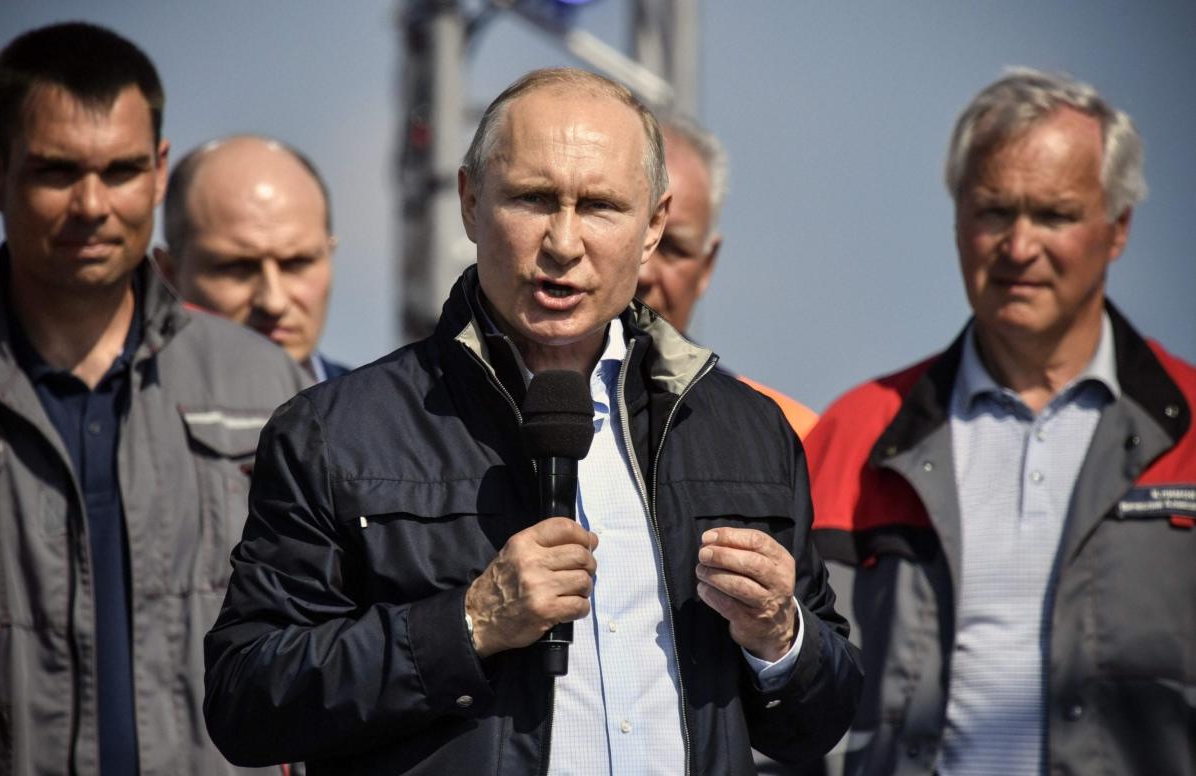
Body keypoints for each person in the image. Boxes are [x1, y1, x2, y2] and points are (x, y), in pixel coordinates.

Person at [203, 67, 862, 775]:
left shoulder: (750, 433)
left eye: (602, 206)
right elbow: (246, 702)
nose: (564, 242)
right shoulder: (334, 433)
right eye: (533, 199)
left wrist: (781, 638)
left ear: (654, 226)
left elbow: (816, 725)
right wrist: (468, 624)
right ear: (469, 201)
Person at [804, 68, 1195, 775]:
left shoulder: (1192, 434)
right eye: (993, 211)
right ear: (957, 219)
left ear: (1118, 229)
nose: (1018, 247)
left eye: (1053, 215)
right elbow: (790, 702)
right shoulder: (855, 434)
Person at [0, 22, 307, 774]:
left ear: (158, 171)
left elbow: (320, 647)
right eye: (55, 172)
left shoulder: (264, 384)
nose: (91, 205)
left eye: (119, 172)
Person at [637, 115, 818, 438]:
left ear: (707, 266)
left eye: (673, 249)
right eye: (631, 238)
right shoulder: (519, 405)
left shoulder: (782, 433)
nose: (644, 271)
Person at [159, 135, 349, 381]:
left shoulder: (383, 414)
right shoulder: (129, 415)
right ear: (168, 275)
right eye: (238, 268)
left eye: (297, 263)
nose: (273, 302)